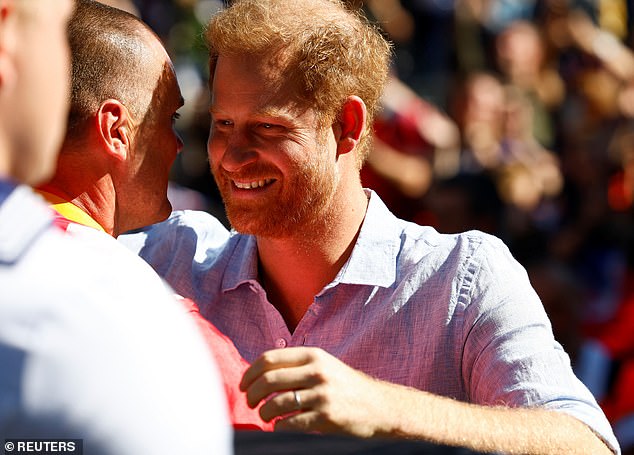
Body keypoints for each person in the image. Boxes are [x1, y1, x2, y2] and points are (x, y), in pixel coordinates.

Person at [121, 0, 620, 453]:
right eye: (222, 124)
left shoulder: (461, 278)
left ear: (347, 126)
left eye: (267, 127)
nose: (231, 156)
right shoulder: (168, 260)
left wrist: (386, 409)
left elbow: (588, 444)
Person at [0, 0, 232, 452]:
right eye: (170, 118)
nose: (179, 145)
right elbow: (274, 422)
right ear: (116, 131)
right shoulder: (126, 311)